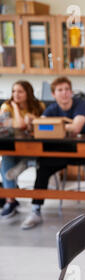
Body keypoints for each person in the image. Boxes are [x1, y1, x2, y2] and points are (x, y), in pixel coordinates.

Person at [21, 77, 85, 230]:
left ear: (72, 92)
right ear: (54, 94)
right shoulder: (52, 108)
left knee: (42, 162)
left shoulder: (80, 105)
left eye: (67, 89)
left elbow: (76, 128)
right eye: (60, 90)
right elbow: (39, 126)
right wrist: (48, 125)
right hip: (59, 153)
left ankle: (28, 162)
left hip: (82, 152)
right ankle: (35, 211)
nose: (64, 93)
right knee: (42, 168)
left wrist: (54, 126)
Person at [0, 80, 45, 219]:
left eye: (20, 91)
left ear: (28, 93)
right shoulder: (7, 106)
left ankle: (28, 162)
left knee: (36, 156)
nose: (16, 95)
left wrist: (28, 120)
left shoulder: (39, 106)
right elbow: (17, 125)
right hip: (14, 146)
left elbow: (42, 125)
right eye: (14, 91)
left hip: (35, 147)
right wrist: (16, 108)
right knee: (6, 160)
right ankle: (10, 200)